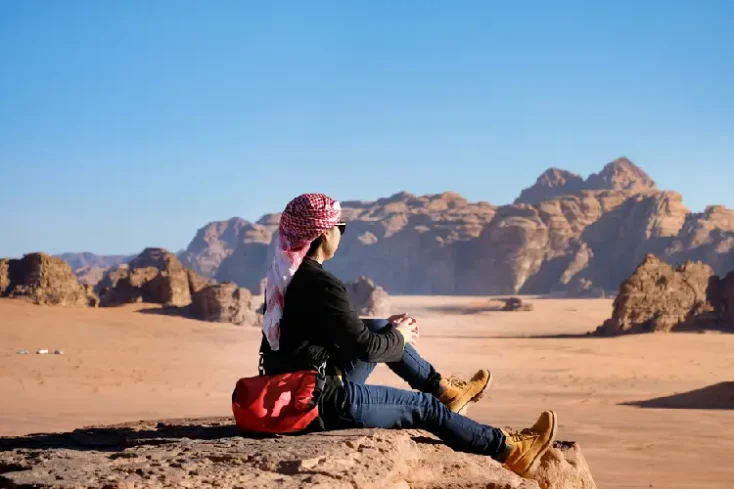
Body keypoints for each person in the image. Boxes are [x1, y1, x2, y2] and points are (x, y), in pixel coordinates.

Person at [258, 193, 557, 477]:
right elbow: (367, 349)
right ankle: (509, 449)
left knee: (378, 326)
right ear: (324, 234)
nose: (341, 233)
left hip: (299, 390)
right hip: (322, 403)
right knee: (424, 408)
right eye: (341, 227)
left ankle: (444, 390)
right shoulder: (322, 283)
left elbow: (343, 332)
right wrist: (399, 336)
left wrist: (389, 331)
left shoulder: (286, 281)